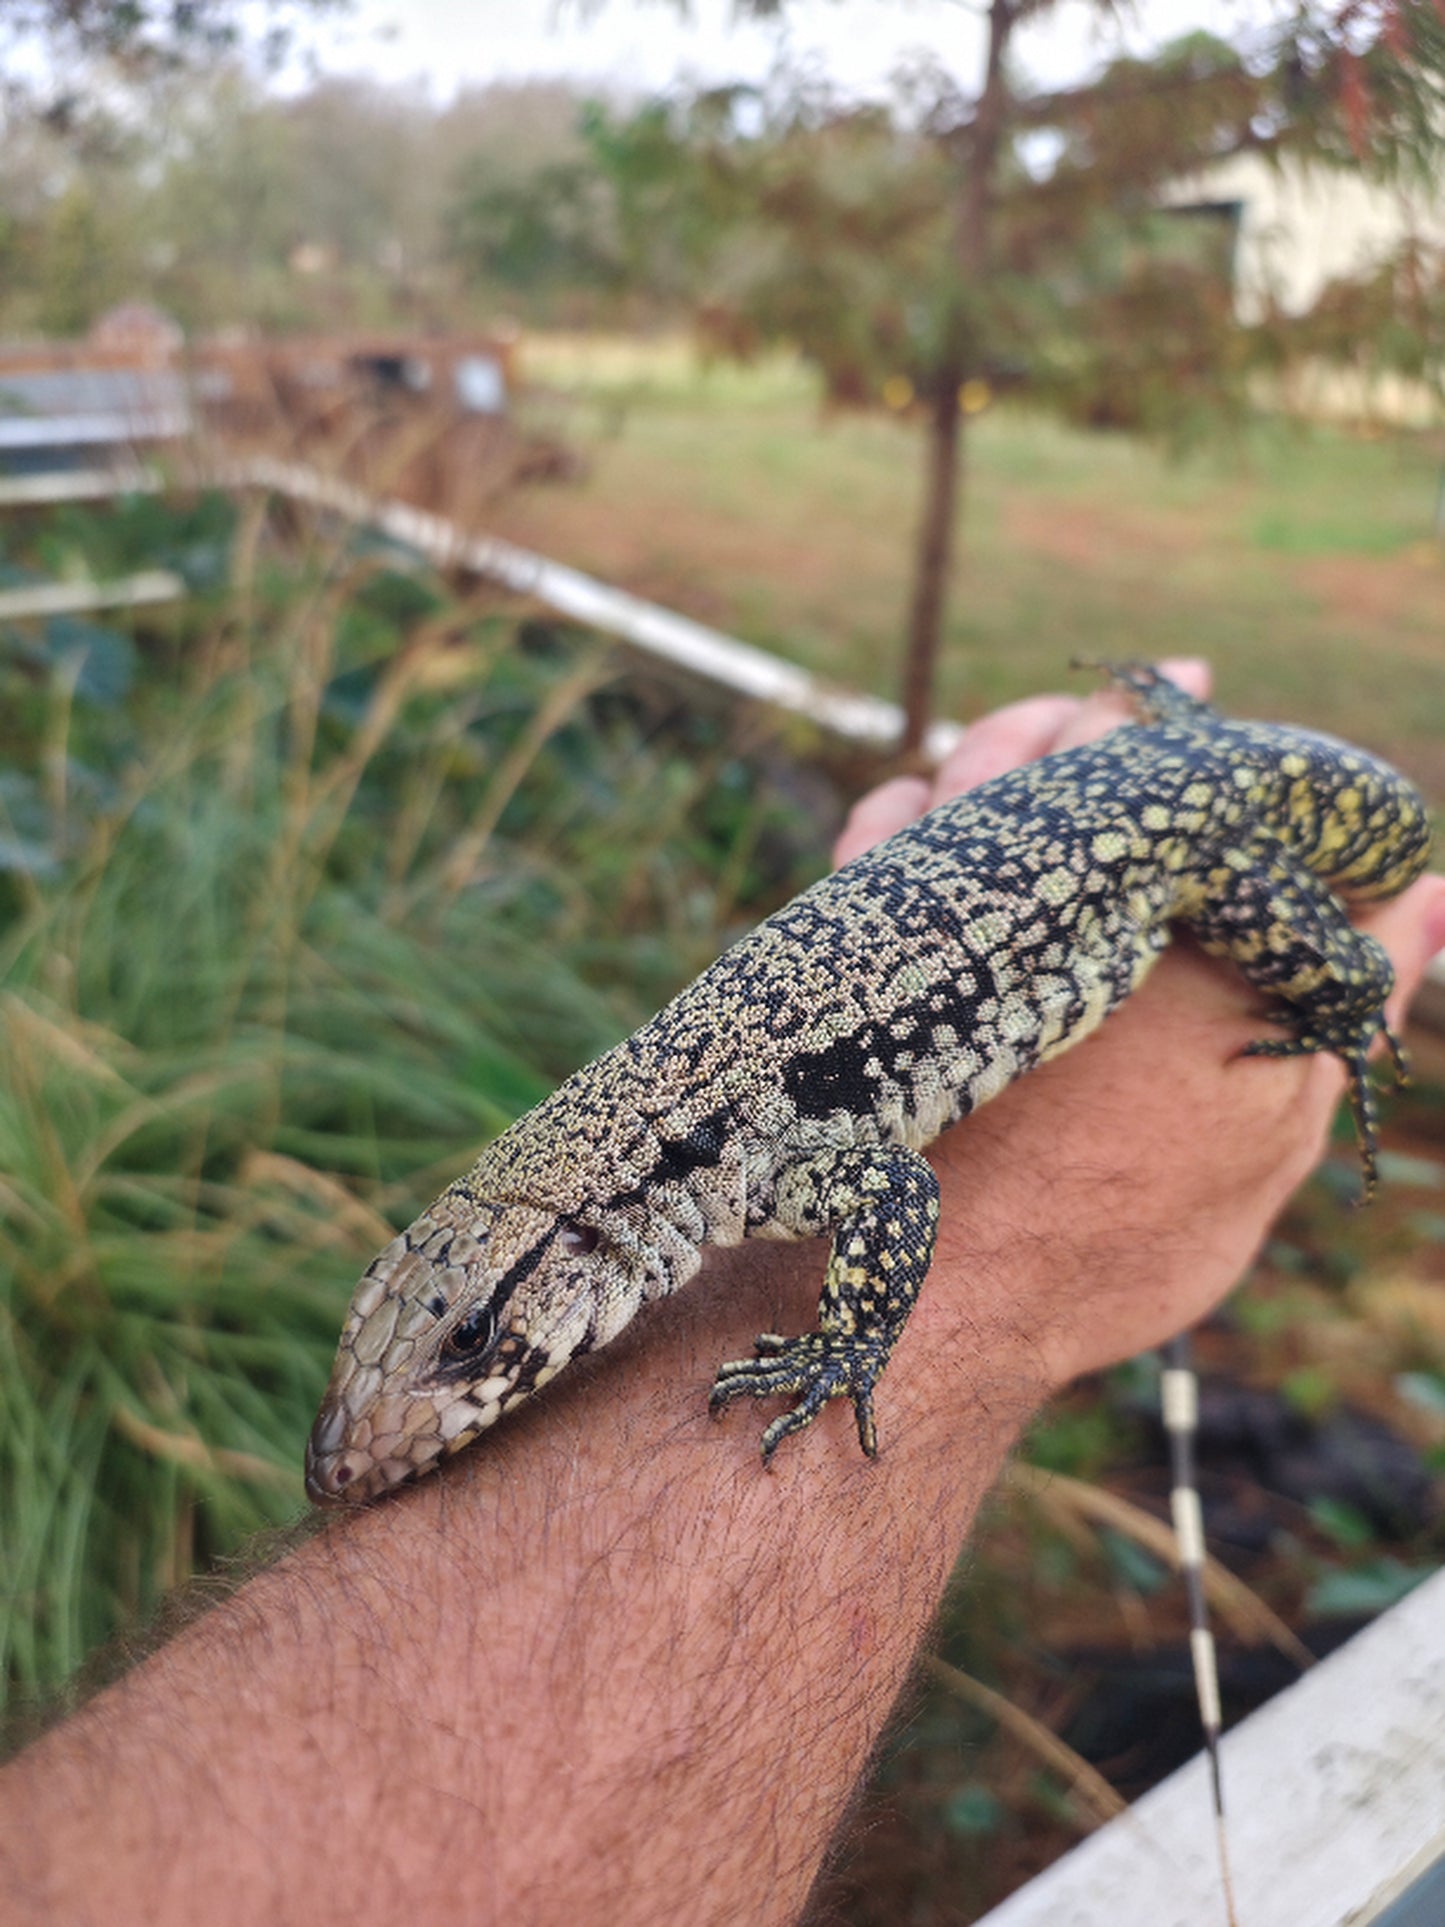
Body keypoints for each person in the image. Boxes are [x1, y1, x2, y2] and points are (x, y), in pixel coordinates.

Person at [3, 663, 1442, 1927]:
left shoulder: (730, 1160)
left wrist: (842, 1344)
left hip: (1187, 827)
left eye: (467, 1355)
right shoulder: (662, 1152)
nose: (370, 1437)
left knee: (1318, 971)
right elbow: (886, 1179)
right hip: (1152, 785)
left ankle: (1317, 991)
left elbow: (895, 1188)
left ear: (564, 1267)